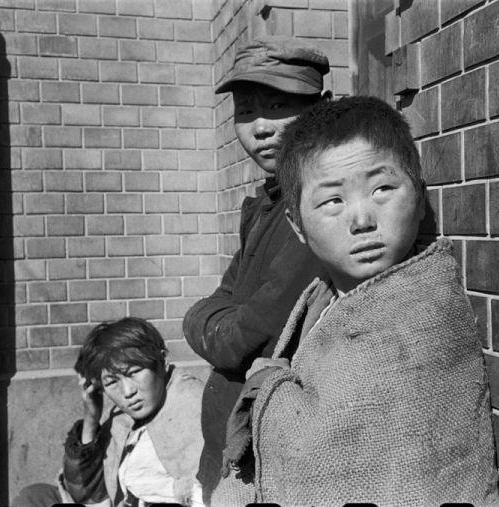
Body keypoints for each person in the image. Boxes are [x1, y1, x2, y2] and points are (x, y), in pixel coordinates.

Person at [222, 96, 499, 506]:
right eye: (333, 201)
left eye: (382, 188)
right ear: (296, 224)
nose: (362, 219)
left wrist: (266, 384)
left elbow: (318, 458)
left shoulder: (422, 315)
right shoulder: (324, 293)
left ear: (420, 197)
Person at [182, 36, 329, 503]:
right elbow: (223, 304)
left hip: (266, 468)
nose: (260, 127)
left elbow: (245, 337)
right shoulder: (267, 202)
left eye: (278, 105)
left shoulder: (319, 208)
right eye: (246, 111)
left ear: (322, 109)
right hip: (226, 458)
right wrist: (207, 317)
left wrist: (205, 320)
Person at [13, 317, 205, 507]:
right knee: (34, 497)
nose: (128, 392)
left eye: (134, 373)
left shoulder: (190, 405)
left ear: (162, 361)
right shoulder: (122, 419)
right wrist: (91, 417)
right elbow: (86, 494)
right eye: (112, 382)